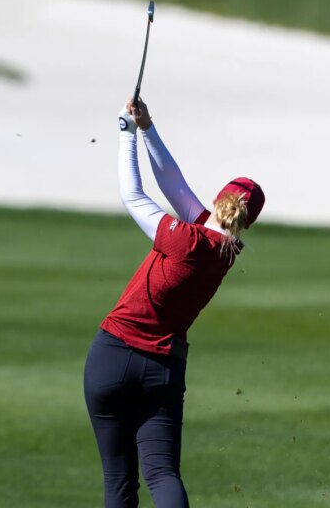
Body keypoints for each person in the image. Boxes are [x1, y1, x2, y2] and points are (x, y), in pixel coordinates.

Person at [83, 97, 266, 508]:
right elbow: (175, 188)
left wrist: (127, 135)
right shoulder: (224, 251)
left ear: (219, 199)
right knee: (163, 474)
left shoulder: (185, 239)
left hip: (112, 355)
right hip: (162, 368)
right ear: (247, 221)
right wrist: (147, 128)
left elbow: (134, 196)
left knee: (118, 480)